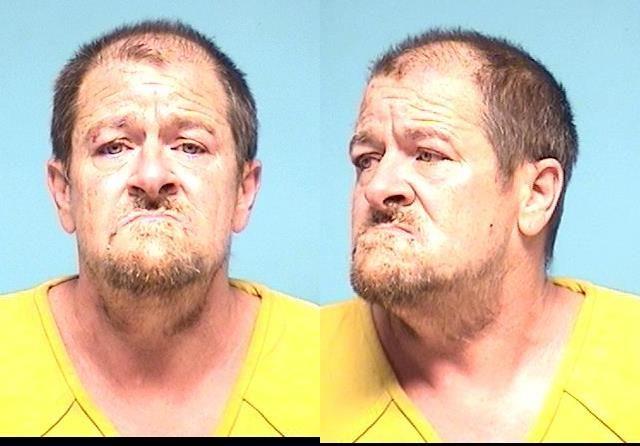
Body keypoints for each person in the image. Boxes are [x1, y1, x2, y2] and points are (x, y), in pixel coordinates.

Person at [0, 20, 317, 437]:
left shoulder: (322, 358)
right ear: (63, 192)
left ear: (244, 191)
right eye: (113, 147)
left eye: (190, 147)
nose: (151, 177)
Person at [321, 28, 640, 442]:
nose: (377, 187)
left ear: (536, 194)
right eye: (367, 159)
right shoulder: (308, 360)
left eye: (428, 155)